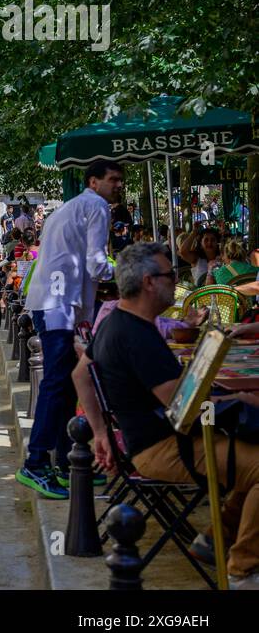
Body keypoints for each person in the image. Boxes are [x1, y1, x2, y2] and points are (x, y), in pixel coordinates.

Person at [73, 242, 259, 589]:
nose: (175, 282)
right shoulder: (137, 336)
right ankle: (243, 569)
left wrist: (100, 433)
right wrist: (237, 400)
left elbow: (81, 375)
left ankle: (216, 537)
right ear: (148, 282)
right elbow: (184, 410)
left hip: (154, 439)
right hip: (167, 446)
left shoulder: (117, 322)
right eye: (169, 275)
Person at [17, 159, 123, 499]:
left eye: (120, 180)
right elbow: (95, 262)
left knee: (62, 385)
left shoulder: (69, 208)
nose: (118, 185)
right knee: (56, 383)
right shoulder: (97, 206)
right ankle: (35, 463)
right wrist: (128, 271)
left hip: (52, 301)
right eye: (113, 179)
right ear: (94, 181)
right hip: (58, 304)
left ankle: (65, 462)